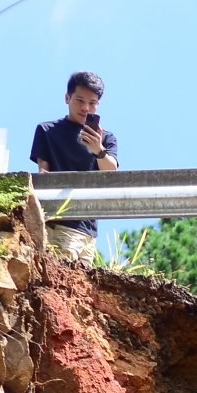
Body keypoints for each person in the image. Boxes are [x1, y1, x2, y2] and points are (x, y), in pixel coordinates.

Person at [30, 70, 119, 260]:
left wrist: (98, 149)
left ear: (98, 104)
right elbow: (43, 175)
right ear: (67, 98)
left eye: (92, 103)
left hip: (89, 230)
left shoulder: (105, 138)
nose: (85, 107)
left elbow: (112, 172)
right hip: (60, 222)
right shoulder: (47, 131)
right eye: (80, 100)